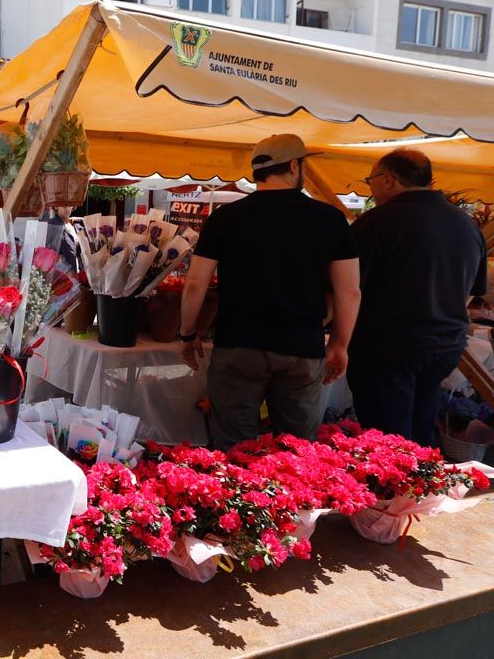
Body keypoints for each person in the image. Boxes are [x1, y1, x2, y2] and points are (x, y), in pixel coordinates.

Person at [179, 134, 362, 449]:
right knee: (296, 450)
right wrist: (341, 345)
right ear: (294, 165)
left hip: (239, 344)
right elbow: (350, 292)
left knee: (234, 449)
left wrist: (188, 333)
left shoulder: (225, 218)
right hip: (301, 347)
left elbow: (195, 283)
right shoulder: (331, 219)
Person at [348, 149, 488, 446]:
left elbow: (350, 289)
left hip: (388, 345)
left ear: (388, 180)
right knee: (421, 427)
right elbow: (471, 294)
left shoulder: (376, 223)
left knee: (386, 439)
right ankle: (421, 485)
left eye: (370, 180)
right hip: (445, 345)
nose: (370, 187)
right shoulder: (465, 225)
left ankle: (396, 489)